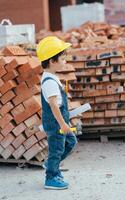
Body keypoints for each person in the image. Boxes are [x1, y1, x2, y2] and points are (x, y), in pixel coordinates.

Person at [36, 36, 77, 190]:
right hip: (56, 124)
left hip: (60, 122)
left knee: (70, 142)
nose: (65, 59)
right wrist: (63, 124)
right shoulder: (50, 82)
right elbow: (53, 105)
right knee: (57, 149)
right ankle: (51, 178)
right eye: (62, 56)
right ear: (52, 61)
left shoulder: (51, 77)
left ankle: (51, 164)